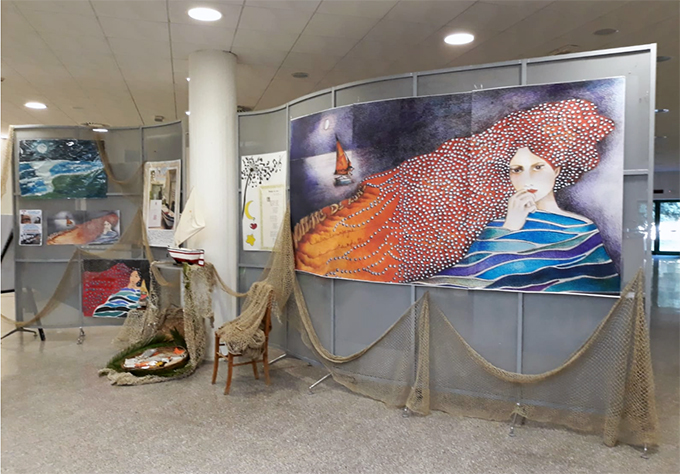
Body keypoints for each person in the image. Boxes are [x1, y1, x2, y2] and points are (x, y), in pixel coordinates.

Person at [293, 98, 620, 294]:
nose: (526, 178)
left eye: (537, 167)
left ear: (558, 168)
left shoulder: (581, 229)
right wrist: (508, 228)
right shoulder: (495, 225)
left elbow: (594, 288)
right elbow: (464, 282)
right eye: (517, 169)